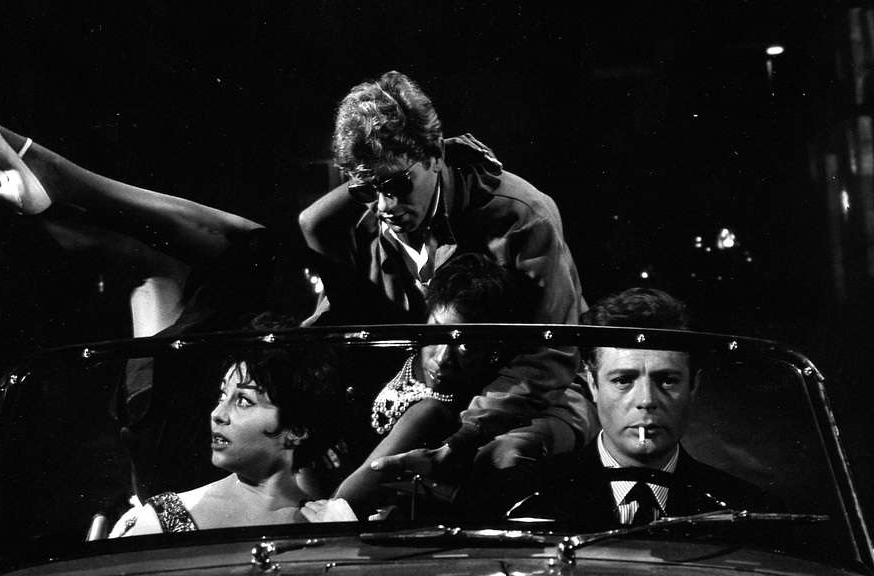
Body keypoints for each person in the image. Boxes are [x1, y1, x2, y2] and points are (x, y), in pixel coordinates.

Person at [0, 61, 289, 499]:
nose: (224, 411)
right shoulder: (293, 486)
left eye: (242, 399)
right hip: (153, 417)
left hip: (174, 427)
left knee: (252, 246)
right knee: (152, 268)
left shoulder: (292, 486)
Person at [300, 70, 591, 471]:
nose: (384, 207)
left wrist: (464, 437)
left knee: (500, 462)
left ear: (436, 155)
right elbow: (316, 240)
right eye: (367, 190)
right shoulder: (360, 224)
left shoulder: (522, 217)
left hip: (532, 395)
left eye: (397, 185)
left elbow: (550, 356)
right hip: (420, 396)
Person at [453, 287, 772, 530]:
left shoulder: (750, 513)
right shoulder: (512, 499)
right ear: (592, 384)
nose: (646, 400)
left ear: (694, 386)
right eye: (623, 380)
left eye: (667, 380)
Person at [333, 253, 518, 511]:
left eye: (464, 345)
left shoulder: (436, 413)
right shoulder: (388, 353)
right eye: (438, 332)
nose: (442, 358)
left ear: (492, 350)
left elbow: (341, 505)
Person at [109, 343, 356, 535]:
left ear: (297, 431)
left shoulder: (329, 523)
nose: (217, 414)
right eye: (222, 395)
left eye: (243, 401)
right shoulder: (158, 521)